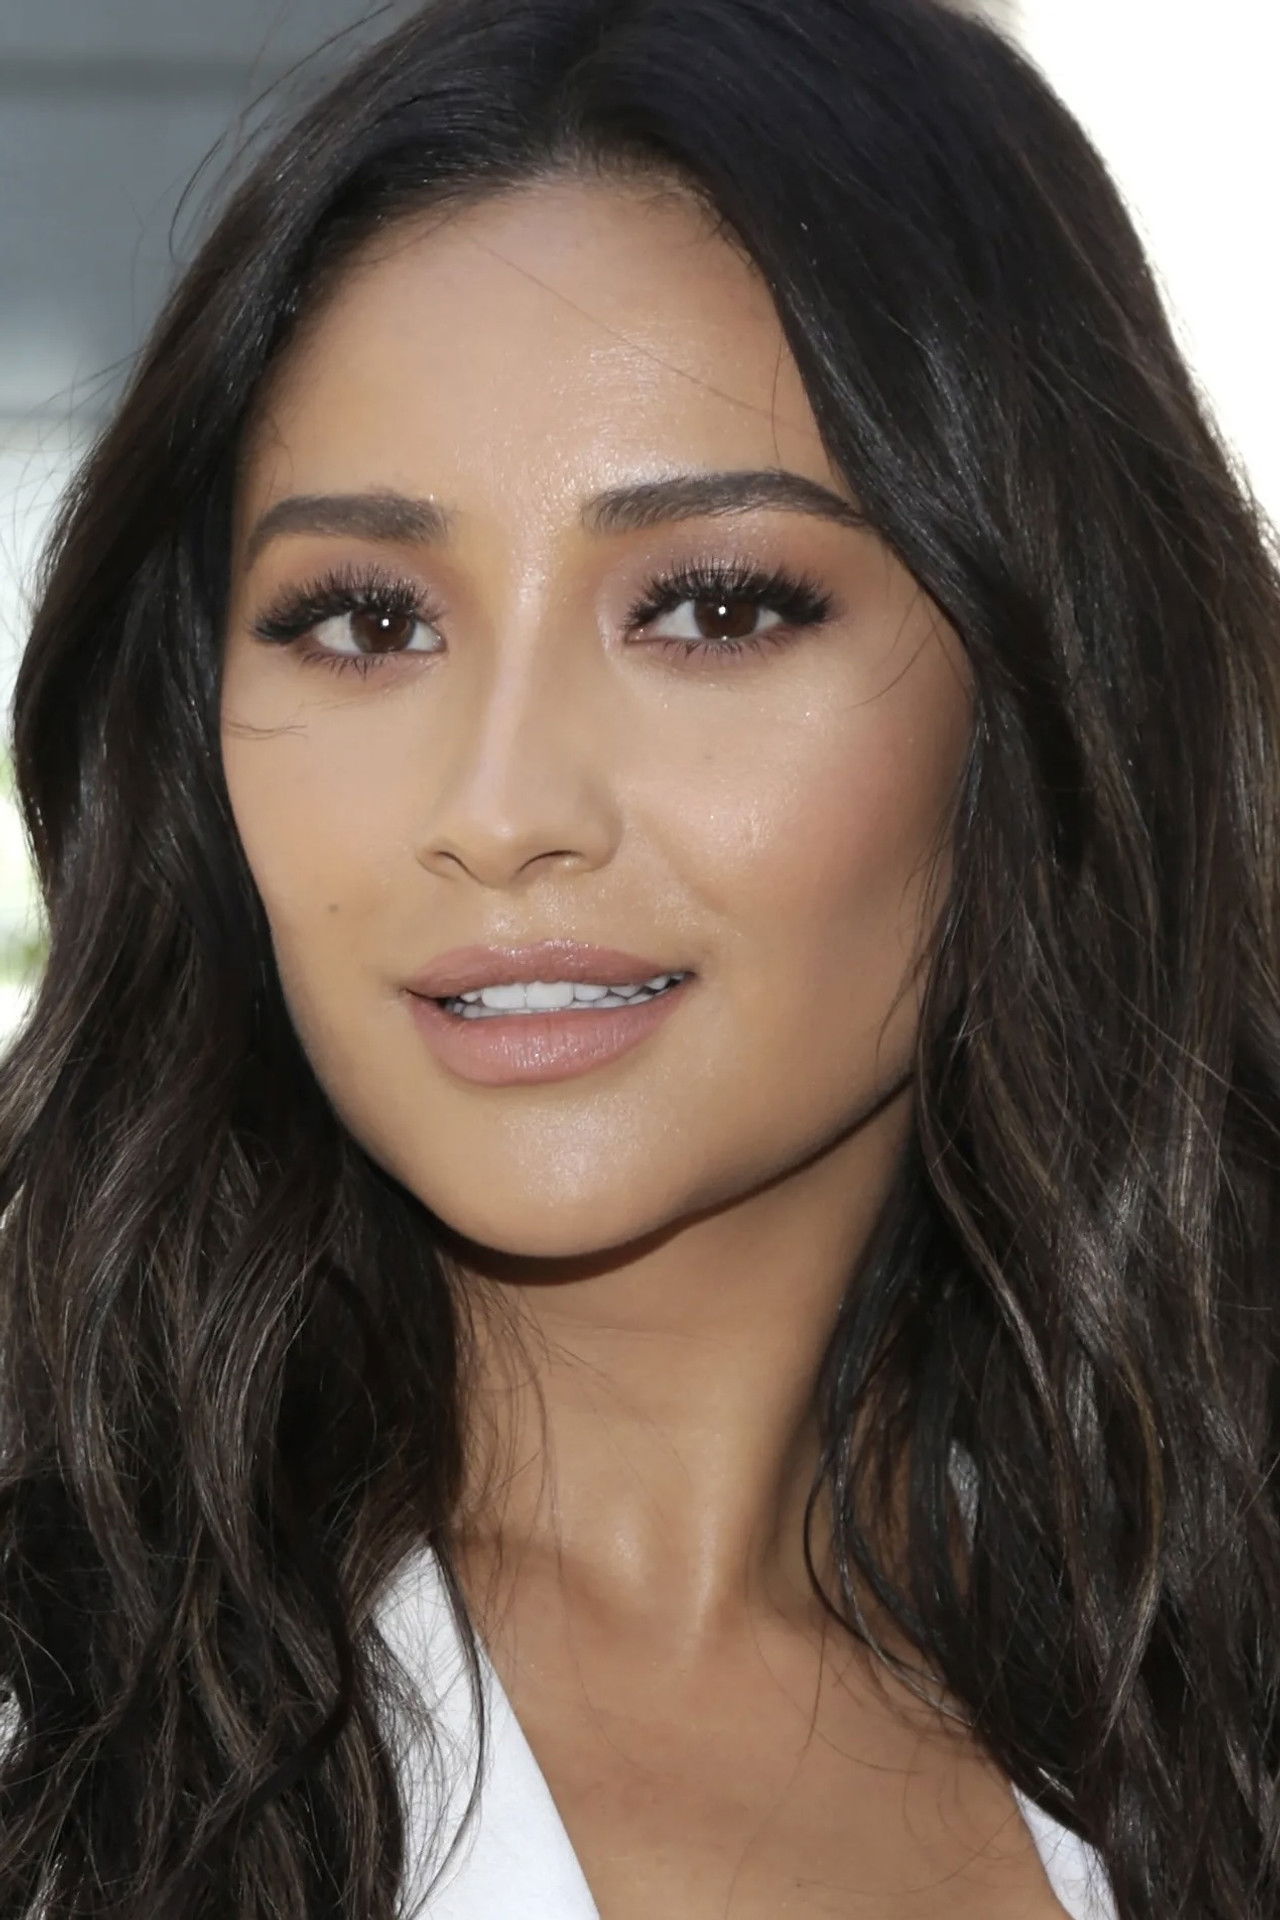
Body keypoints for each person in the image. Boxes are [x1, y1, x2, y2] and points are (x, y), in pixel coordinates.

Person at [0, 0, 1276, 1913]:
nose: (503, 806)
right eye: (366, 620)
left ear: (1053, 684)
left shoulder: (1214, 1702)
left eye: (714, 606)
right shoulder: (52, 1725)